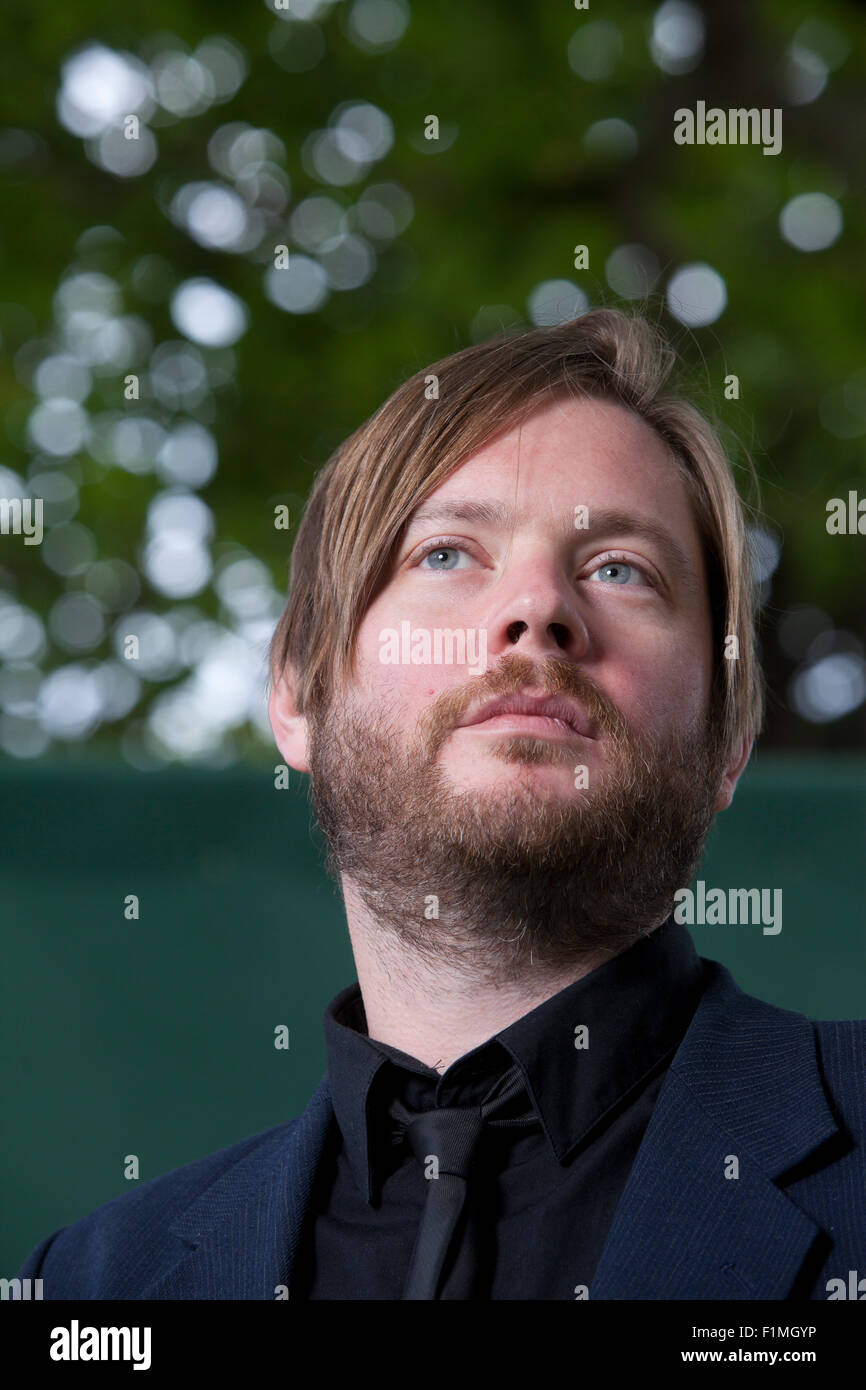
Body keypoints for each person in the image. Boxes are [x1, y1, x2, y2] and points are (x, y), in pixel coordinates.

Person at [17, 309, 866, 1300]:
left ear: (727, 741)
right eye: (447, 554)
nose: (537, 608)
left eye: (619, 569)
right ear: (296, 695)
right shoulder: (95, 1285)